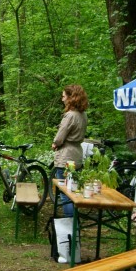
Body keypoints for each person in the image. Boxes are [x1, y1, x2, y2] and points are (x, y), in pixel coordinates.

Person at [51, 84, 89, 217]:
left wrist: (55, 144)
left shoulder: (70, 115)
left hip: (66, 157)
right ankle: (74, 226)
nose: (62, 99)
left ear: (71, 97)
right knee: (74, 193)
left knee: (65, 195)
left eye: (63, 96)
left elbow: (60, 137)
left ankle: (71, 227)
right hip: (77, 155)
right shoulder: (83, 115)